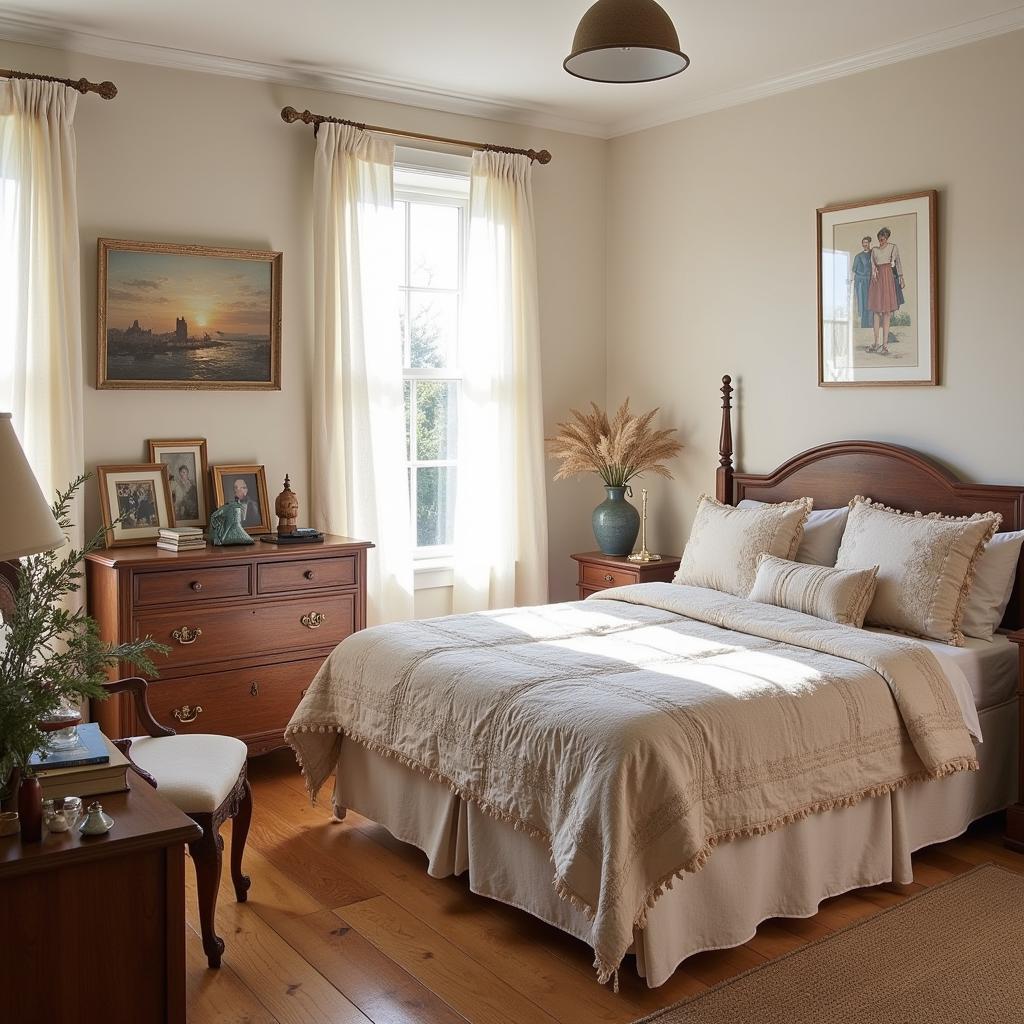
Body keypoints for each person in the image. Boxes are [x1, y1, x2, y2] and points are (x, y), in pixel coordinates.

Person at [866, 226, 905, 355]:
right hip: (877, 280)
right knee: (876, 312)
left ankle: (885, 345)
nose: (882, 241)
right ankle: (876, 342)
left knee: (887, 312)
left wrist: (901, 277)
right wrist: (874, 271)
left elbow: (897, 263)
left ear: (887, 238)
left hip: (888, 278)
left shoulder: (893, 247)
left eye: (884, 239)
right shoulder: (874, 250)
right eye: (880, 239)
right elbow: (872, 264)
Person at [851, 236, 873, 329]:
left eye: (867, 242)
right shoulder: (858, 256)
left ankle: (872, 324)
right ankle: (864, 325)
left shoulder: (873, 254)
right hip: (861, 282)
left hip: (872, 281)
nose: (865, 244)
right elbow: (854, 271)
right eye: (863, 242)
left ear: (869, 243)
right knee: (863, 303)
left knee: (872, 302)